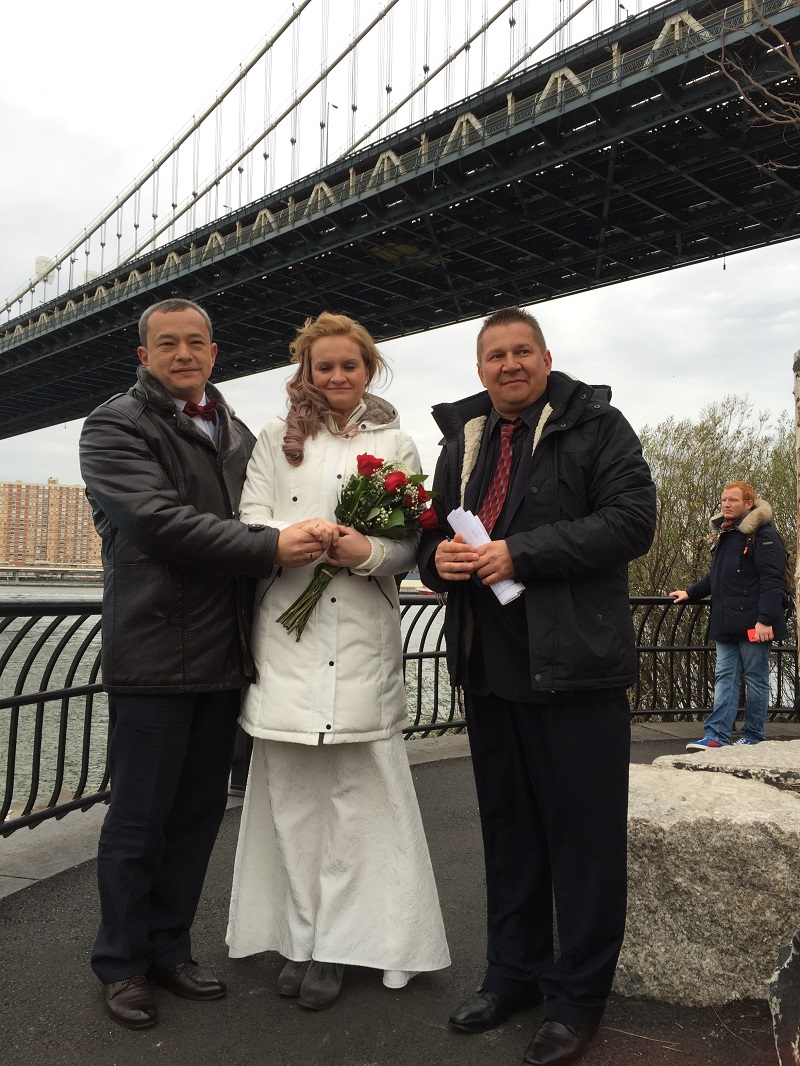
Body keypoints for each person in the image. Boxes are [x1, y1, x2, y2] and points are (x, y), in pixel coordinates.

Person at [417, 307, 656, 1066]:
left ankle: (576, 999)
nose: (509, 365)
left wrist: (523, 552)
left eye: (523, 352)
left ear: (546, 359)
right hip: (491, 668)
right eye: (495, 355)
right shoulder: (463, 439)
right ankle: (512, 975)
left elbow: (632, 522)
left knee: (583, 844)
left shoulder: (599, 426)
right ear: (479, 367)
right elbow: (433, 536)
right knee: (510, 834)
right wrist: (437, 565)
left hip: (575, 671)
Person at [79, 298, 326, 1030]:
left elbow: (272, 503)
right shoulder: (115, 424)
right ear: (144, 356)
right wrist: (270, 548)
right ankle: (121, 963)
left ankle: (170, 948)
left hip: (223, 656)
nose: (183, 354)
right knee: (138, 820)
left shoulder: (239, 431)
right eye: (167, 344)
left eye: (196, 343)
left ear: (215, 354)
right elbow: (156, 523)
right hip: (153, 653)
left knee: (193, 818)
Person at [226, 312, 450, 1010]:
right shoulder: (273, 439)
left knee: (360, 807)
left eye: (349, 366)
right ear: (307, 371)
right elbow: (248, 519)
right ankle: (297, 935)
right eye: (324, 367)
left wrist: (366, 554)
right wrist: (290, 538)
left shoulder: (398, 442)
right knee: (290, 807)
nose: (337, 377)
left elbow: (410, 546)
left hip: (358, 640)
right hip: (289, 643)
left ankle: (337, 948)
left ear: (369, 368)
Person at [669, 481, 788, 751]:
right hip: (727, 619)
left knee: (755, 679)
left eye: (732, 500)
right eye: (724, 500)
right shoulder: (728, 534)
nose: (725, 504)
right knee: (725, 677)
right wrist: (690, 593)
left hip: (755, 623)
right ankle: (716, 736)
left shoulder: (764, 535)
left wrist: (765, 620)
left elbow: (773, 581)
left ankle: (754, 735)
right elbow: (717, 576)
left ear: (749, 504)